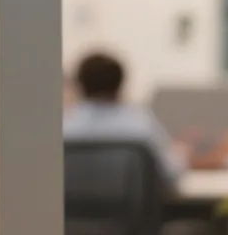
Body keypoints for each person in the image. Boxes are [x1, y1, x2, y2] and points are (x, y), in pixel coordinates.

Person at [62, 51, 184, 184]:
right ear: (120, 83)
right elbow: (171, 172)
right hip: (132, 204)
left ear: (80, 84)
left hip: (73, 204)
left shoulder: (65, 127)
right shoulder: (141, 125)